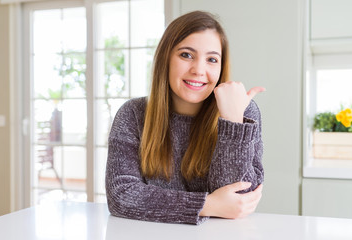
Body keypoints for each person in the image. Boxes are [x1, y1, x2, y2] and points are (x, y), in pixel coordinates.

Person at [105, 11, 265, 225]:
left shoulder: (242, 111)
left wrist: (233, 123)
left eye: (211, 59)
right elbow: (121, 195)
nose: (199, 70)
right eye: (186, 55)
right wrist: (209, 204)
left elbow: (238, 196)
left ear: (221, 67)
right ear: (166, 59)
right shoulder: (133, 114)